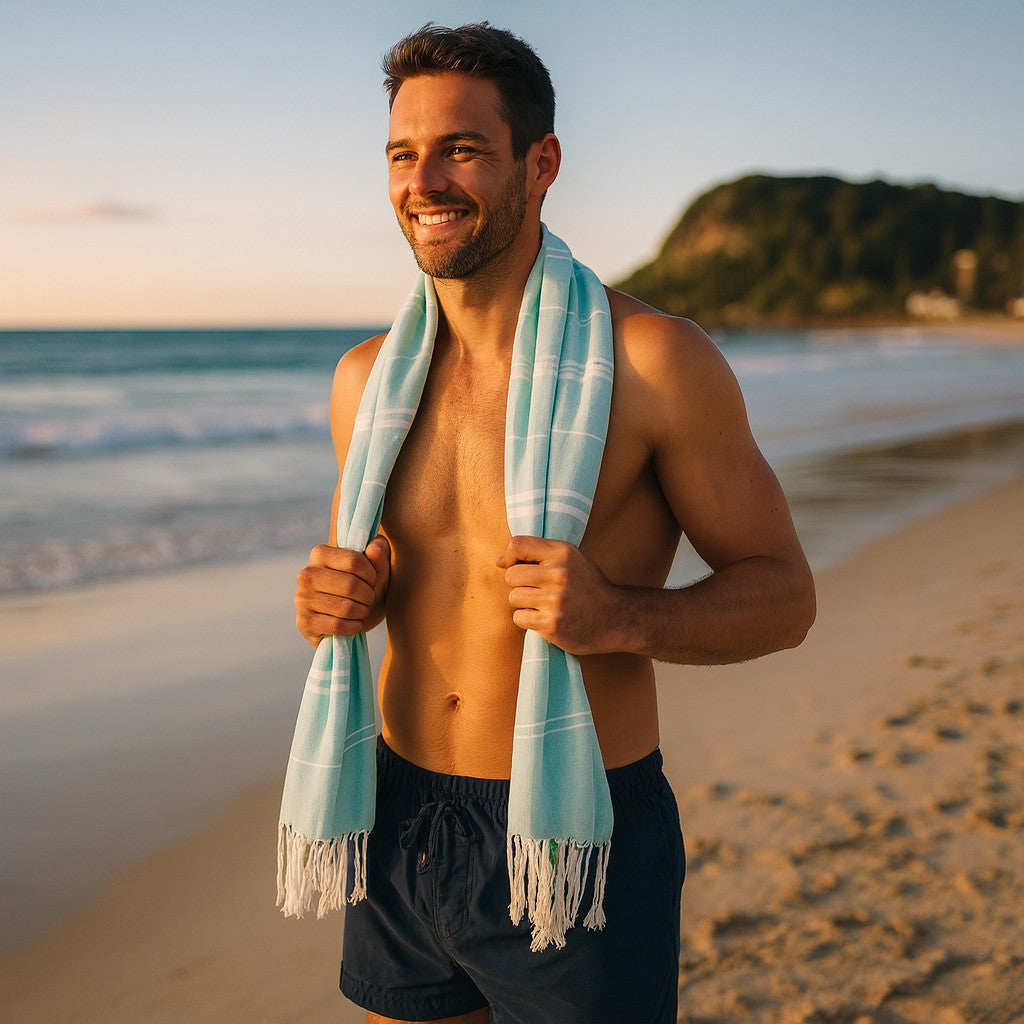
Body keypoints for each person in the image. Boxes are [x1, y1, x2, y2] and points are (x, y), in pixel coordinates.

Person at [293, 21, 815, 1024]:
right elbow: (382, 581)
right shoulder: (365, 381)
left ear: (542, 164)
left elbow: (783, 595)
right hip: (396, 810)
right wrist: (335, 601)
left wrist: (622, 616)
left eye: (462, 149)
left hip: (577, 830)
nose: (425, 181)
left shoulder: (656, 363)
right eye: (403, 154)